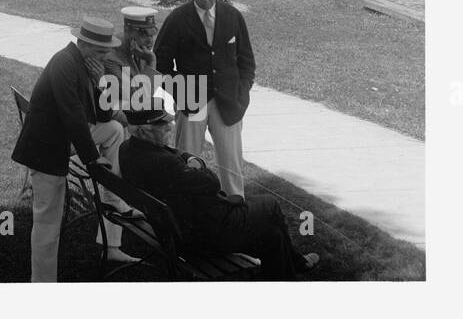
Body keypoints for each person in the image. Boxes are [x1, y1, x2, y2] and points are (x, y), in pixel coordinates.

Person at [117, 94, 318, 279]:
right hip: (205, 235)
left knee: (272, 236)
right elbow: (212, 183)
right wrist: (196, 165)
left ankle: (289, 268)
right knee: (271, 205)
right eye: (162, 125)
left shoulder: (129, 150)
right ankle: (295, 262)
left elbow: (174, 153)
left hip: (176, 232)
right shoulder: (163, 163)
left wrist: (186, 160)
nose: (169, 128)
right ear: (143, 131)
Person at [12, 17, 132, 281]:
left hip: (63, 139)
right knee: (47, 224)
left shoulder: (85, 65)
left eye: (106, 51)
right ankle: (42, 284)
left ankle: (112, 242)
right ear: (83, 43)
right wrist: (92, 159)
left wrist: (100, 80)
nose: (105, 56)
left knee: (114, 129)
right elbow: (73, 115)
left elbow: (103, 117)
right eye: (100, 51)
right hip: (46, 149)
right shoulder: (65, 63)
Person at [153, 0, 253, 197]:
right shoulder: (177, 19)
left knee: (231, 165)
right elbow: (161, 63)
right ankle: (186, 209)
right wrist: (178, 92)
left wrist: (242, 93)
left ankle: (236, 211)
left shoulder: (233, 17)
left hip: (228, 102)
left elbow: (247, 61)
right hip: (191, 102)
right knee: (187, 162)